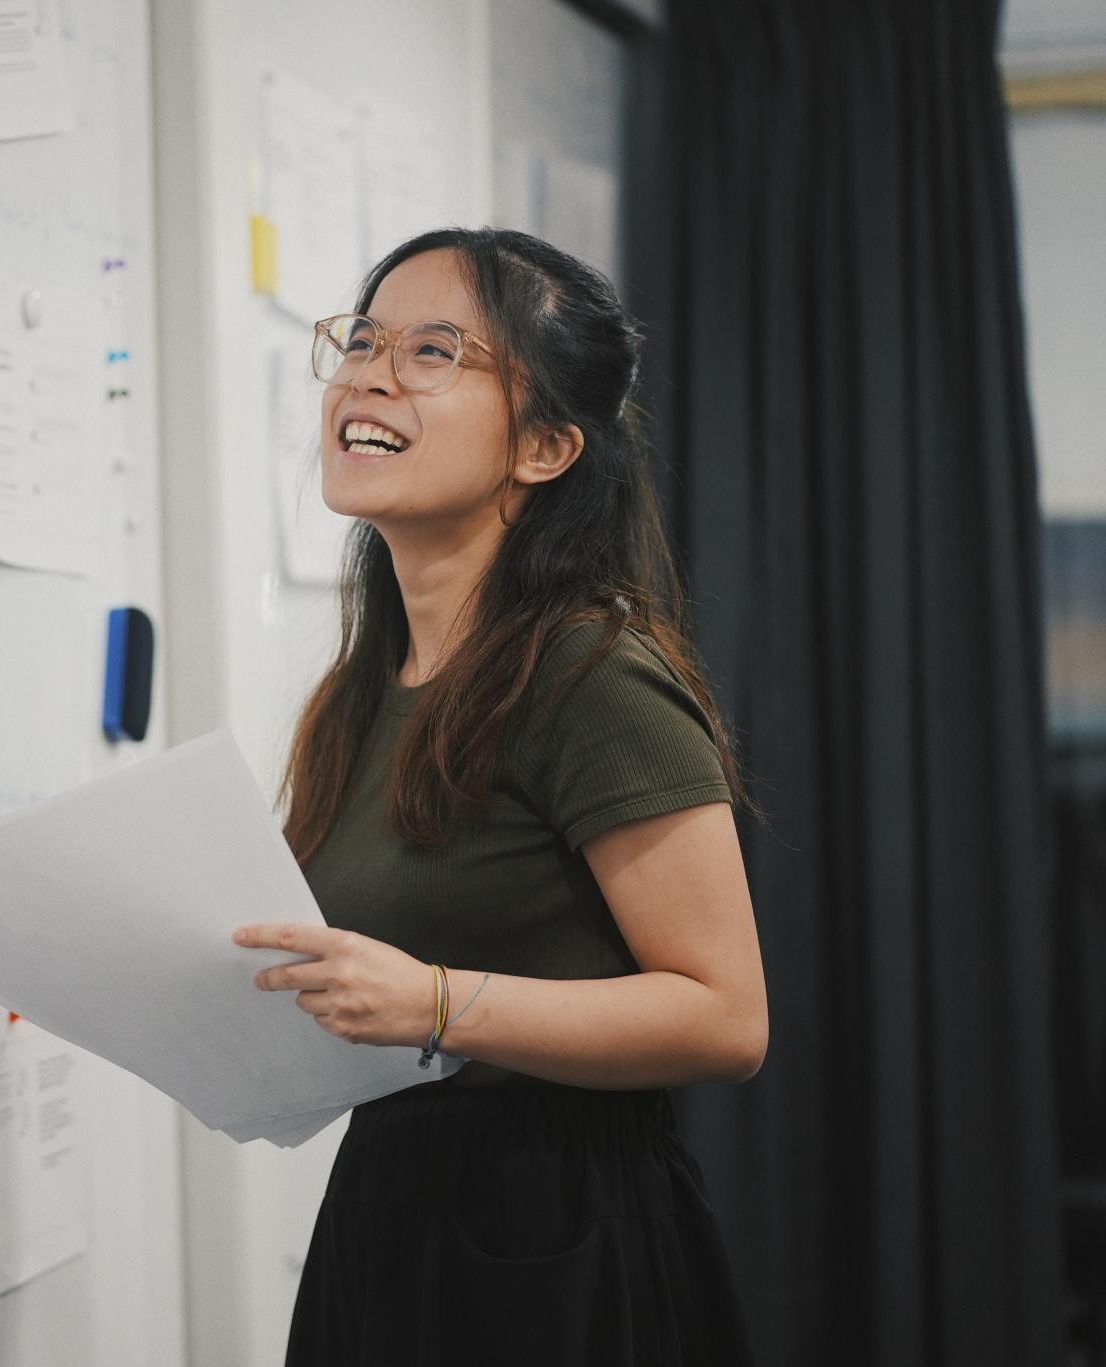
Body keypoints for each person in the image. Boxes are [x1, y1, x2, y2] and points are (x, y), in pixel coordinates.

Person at [230, 227, 768, 1366]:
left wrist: (433, 1000)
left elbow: (724, 1015)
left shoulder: (591, 674)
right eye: (361, 339)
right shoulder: (359, 692)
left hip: (555, 1238)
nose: (369, 373)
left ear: (543, 444)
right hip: (388, 1211)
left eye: (433, 351)